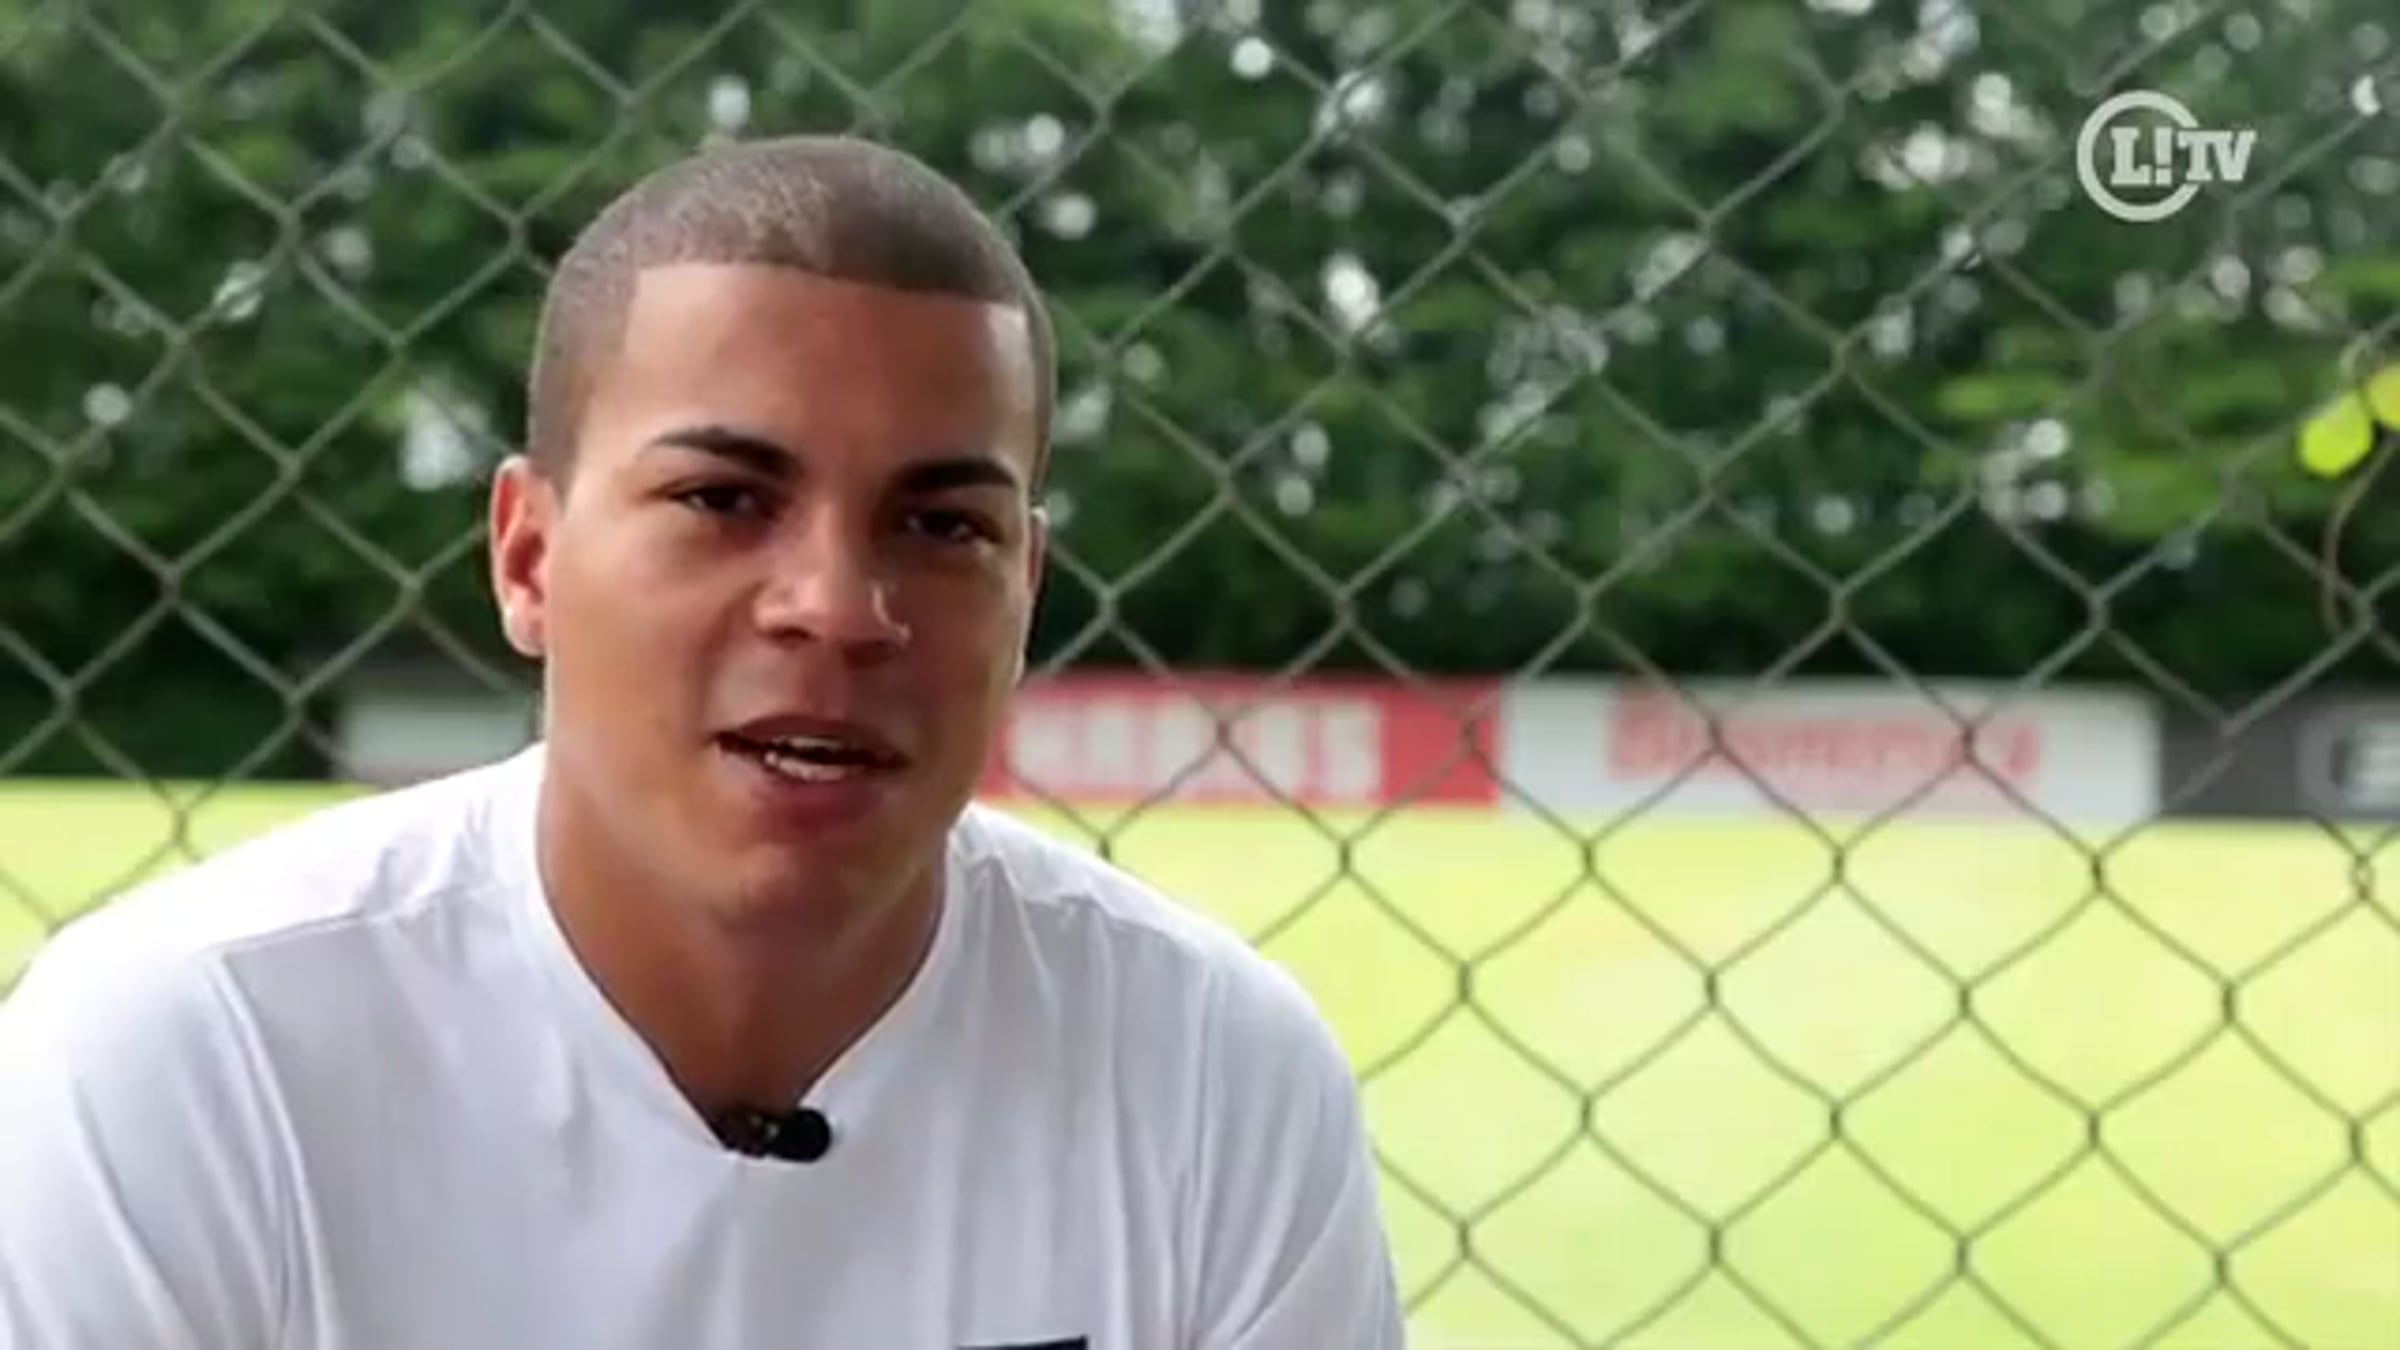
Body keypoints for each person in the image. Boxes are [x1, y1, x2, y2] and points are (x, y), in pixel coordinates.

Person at [0, 134, 1406, 1348]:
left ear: (1025, 591)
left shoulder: (1213, 1075)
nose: (837, 607)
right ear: (529, 557)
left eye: (941, 525)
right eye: (724, 498)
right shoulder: (194, 1053)